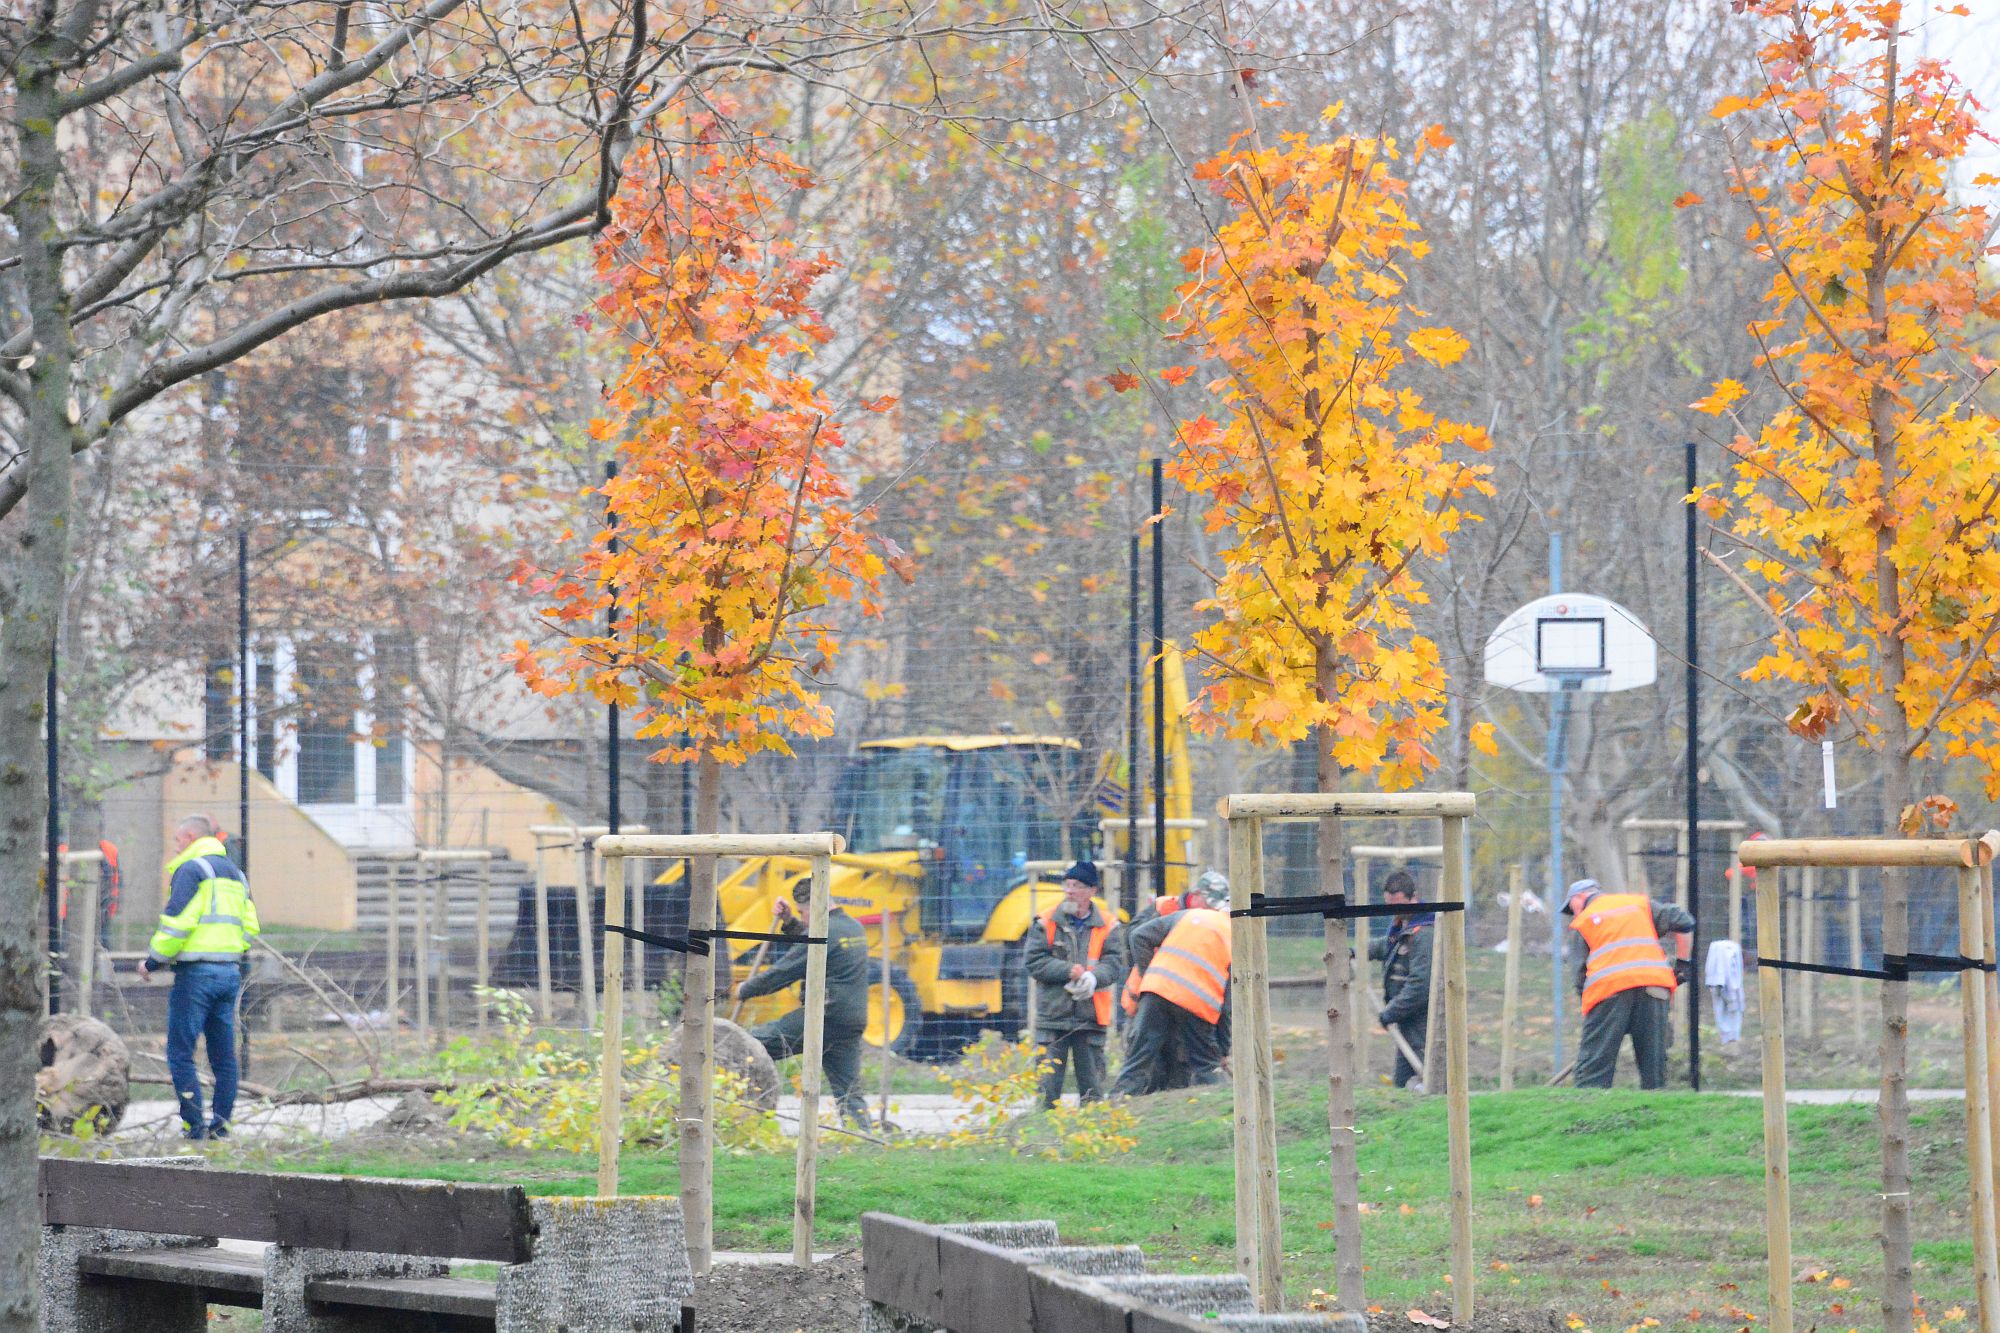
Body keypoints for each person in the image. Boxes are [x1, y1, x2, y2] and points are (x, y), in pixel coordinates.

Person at [140, 814, 259, 1139]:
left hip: (195, 977)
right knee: (223, 1057)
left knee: (180, 1053)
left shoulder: (192, 870)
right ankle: (221, 1128)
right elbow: (250, 927)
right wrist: (227, 949)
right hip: (229, 973)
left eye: (178, 841)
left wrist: (152, 961)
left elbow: (177, 924)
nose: (176, 847)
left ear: (190, 837)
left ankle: (194, 1128)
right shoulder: (237, 875)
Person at [734, 877, 872, 1124]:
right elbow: (816, 943)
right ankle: (862, 1136)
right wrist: (790, 922)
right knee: (849, 1091)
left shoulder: (825, 932)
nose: (804, 918)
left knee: (747, 1046)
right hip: (850, 1021)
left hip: (824, 1018)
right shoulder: (853, 927)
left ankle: (734, 1109)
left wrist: (745, 989)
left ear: (817, 905)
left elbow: (784, 971)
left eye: (803, 912)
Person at [1563, 878, 1695, 1089]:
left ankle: (1588, 1114)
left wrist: (1591, 1010)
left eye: (1571, 908)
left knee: (1592, 1073)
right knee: (1654, 1069)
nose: (1573, 914)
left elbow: (1579, 975)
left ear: (1579, 897)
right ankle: (1655, 1113)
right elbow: (1684, 921)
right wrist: (1683, 964)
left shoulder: (1584, 920)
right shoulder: (1638, 905)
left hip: (1608, 992)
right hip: (1655, 988)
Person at [1023, 861, 1127, 1108]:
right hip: (1053, 1015)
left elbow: (1114, 964)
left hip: (1090, 1016)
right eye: (1067, 885)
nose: (1070, 891)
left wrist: (1093, 978)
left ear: (1092, 891)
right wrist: (1067, 971)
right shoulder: (1045, 922)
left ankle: (1090, 1137)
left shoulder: (1109, 925)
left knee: (1093, 1095)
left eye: (1077, 886)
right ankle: (1044, 1135)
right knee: (1046, 1094)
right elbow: (1034, 962)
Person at [1110, 902, 1232, 1097]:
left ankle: (1116, 1105)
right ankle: (1218, 1107)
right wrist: (1224, 1049)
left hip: (1158, 991)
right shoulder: (1236, 940)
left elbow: (1138, 936)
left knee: (1138, 1058)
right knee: (1207, 1066)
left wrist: (1148, 974)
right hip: (1198, 1002)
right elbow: (1226, 1006)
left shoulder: (1188, 916)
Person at [1119, 871, 1220, 1021]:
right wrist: (1151, 978)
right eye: (1209, 905)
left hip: (1184, 1003)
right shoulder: (1163, 907)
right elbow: (1132, 937)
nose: (1211, 911)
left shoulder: (1209, 922)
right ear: (1196, 895)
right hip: (1146, 1000)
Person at [1368, 870, 1433, 1089]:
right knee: (1401, 1087)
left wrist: (1391, 1012)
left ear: (1414, 897)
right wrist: (1355, 950)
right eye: (1389, 905)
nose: (1393, 911)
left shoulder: (1424, 933)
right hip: (1406, 1021)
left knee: (1428, 1082)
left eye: (1398, 905)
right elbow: (1389, 946)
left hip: (1422, 1024)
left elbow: (1420, 985)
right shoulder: (1402, 926)